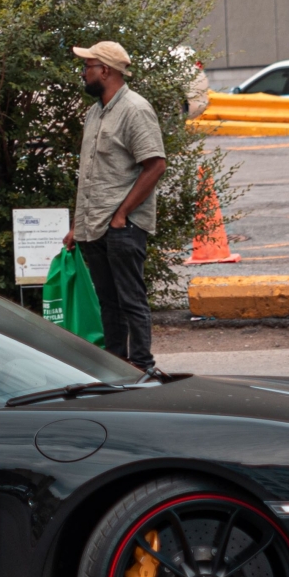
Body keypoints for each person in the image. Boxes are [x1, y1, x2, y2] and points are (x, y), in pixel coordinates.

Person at [64, 37, 169, 376]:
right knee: (108, 303)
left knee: (130, 299)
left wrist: (122, 214)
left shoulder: (135, 109)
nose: (83, 73)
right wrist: (77, 226)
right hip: (94, 226)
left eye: (87, 67)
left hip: (123, 226)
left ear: (105, 71)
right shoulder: (94, 113)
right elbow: (93, 175)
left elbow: (155, 164)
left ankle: (141, 365)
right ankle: (114, 365)